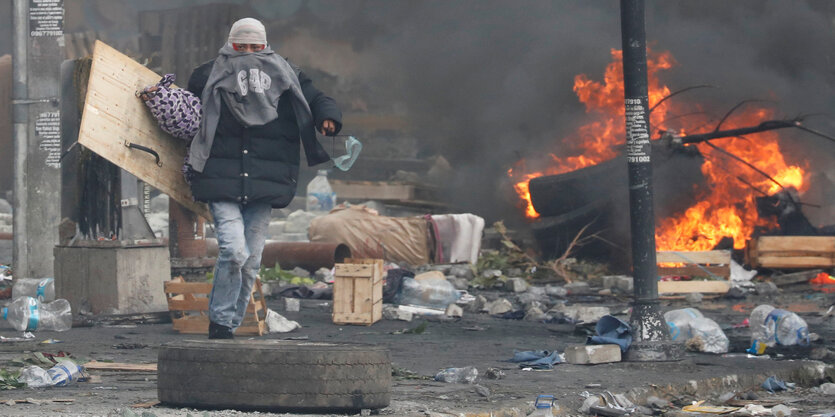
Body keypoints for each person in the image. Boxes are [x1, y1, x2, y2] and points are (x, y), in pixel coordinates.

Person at [186, 18, 341, 339]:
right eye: (241, 48)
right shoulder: (206, 76)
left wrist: (328, 118)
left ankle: (227, 324)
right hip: (221, 179)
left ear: (265, 46)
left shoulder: (285, 74)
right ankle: (220, 322)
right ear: (230, 45)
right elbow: (185, 114)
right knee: (233, 251)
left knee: (252, 260)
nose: (248, 55)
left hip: (264, 181)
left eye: (256, 48)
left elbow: (316, 97)